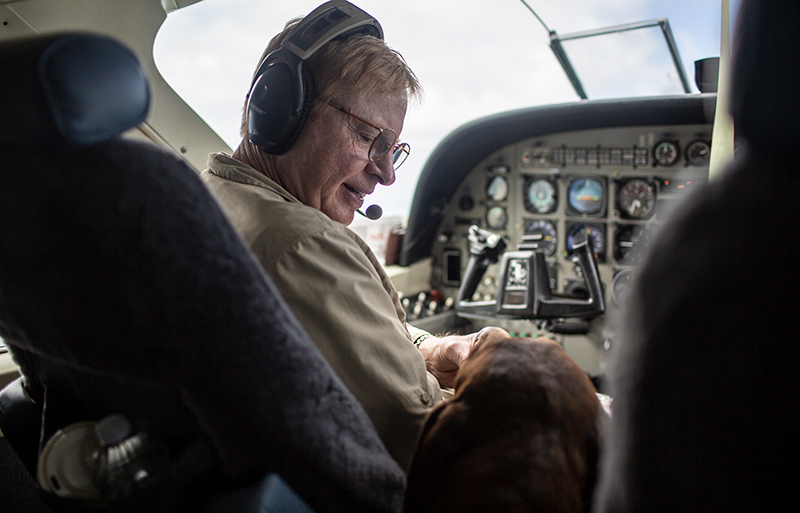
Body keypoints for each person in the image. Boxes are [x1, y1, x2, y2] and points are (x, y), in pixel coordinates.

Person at [200, 1, 508, 470]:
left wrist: (428, 350)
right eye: (369, 139)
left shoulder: (212, 195)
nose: (386, 174)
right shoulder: (303, 245)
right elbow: (431, 440)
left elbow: (340, 335)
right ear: (281, 110)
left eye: (392, 149)